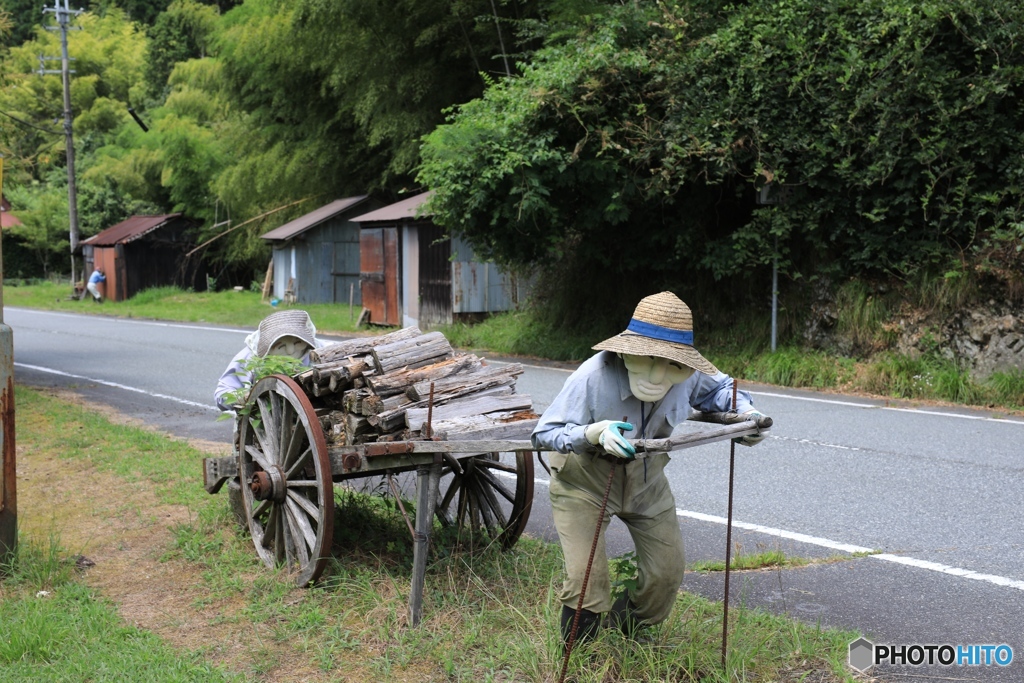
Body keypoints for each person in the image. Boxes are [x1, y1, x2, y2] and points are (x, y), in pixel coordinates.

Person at [531, 291, 771, 646]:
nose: (658, 374)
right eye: (647, 359)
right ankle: (581, 656)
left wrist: (747, 415)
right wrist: (593, 433)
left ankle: (624, 633)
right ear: (626, 351)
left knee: (666, 573)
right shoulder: (591, 377)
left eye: (672, 364)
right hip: (585, 479)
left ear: (685, 364)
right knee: (586, 580)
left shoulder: (688, 376)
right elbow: (544, 434)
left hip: (647, 479)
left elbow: (723, 387)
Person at [214, 309, 323, 412]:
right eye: (281, 347)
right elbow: (221, 393)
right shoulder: (250, 357)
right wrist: (242, 397)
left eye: (297, 343)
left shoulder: (319, 350)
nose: (290, 351)